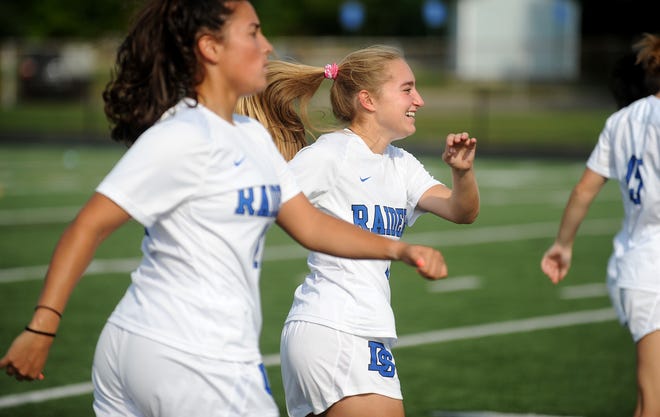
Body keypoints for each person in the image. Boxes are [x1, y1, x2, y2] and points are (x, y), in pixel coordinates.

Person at [0, 3, 448, 417]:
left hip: (164, 350)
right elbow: (89, 226)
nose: (267, 46)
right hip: (187, 351)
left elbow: (311, 226)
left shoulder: (251, 139)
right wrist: (42, 327)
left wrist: (399, 250)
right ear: (210, 48)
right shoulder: (182, 133)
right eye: (253, 33)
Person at [238, 45, 480, 417]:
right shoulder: (331, 154)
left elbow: (461, 211)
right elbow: (267, 199)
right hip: (335, 327)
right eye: (407, 89)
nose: (420, 99)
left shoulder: (401, 164)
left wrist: (462, 173)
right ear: (368, 100)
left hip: (351, 330)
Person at [541, 33, 660, 417]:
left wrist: (563, 244)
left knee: (651, 399)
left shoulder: (620, 120)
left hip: (638, 266)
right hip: (651, 270)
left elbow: (583, 190)